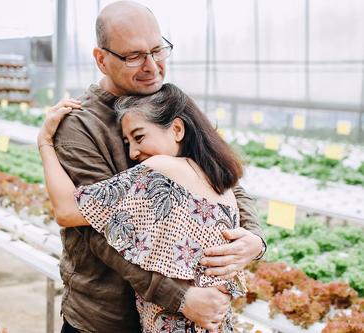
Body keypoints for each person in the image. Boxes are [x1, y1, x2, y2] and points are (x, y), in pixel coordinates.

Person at [45, 1, 266, 332]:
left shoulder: (165, 100)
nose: (152, 66)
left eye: (158, 50)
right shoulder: (80, 125)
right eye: (134, 56)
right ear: (101, 59)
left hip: (182, 315)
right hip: (108, 318)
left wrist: (253, 238)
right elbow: (100, 232)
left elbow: (218, 174)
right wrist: (180, 297)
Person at [39, 83, 250, 332]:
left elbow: (66, 211)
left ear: (177, 129)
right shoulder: (221, 183)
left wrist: (45, 142)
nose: (133, 152)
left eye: (139, 137)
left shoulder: (162, 170)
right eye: (127, 142)